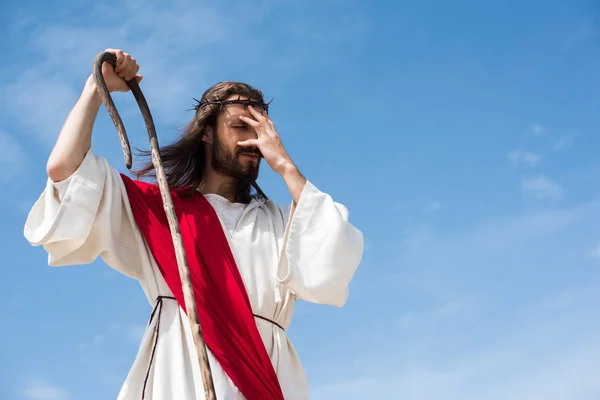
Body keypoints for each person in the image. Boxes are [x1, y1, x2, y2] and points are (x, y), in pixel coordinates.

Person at [23, 48, 364, 400]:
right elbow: (64, 170)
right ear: (207, 133)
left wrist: (286, 166)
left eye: (261, 130)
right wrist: (96, 89)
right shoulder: (161, 209)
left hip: (265, 381)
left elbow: (331, 266)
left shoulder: (282, 221)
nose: (254, 140)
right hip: (179, 378)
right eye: (239, 127)